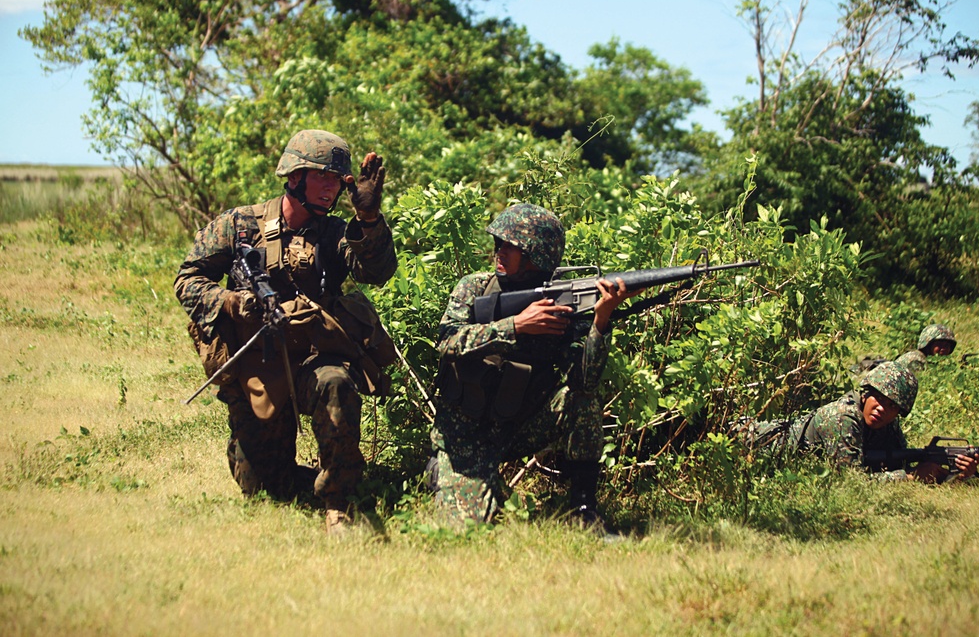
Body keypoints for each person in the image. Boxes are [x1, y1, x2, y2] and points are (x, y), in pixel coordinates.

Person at [175, 129, 398, 534]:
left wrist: (368, 218)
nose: (331, 187)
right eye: (322, 177)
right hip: (258, 364)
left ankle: (339, 502)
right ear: (294, 176)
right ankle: (323, 478)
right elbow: (187, 279)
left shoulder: (334, 234)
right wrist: (230, 302)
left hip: (315, 357)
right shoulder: (239, 225)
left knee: (337, 383)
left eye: (338, 180)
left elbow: (378, 272)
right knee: (264, 487)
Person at [427, 203, 640, 527]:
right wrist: (516, 326)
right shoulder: (475, 287)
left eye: (510, 247)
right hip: (464, 434)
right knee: (466, 530)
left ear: (537, 257)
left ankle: (583, 512)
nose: (499, 251)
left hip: (517, 426)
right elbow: (448, 343)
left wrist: (600, 322)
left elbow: (585, 383)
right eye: (498, 243)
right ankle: (442, 470)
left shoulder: (562, 301)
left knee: (579, 402)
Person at [753, 361, 979, 483]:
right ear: (866, 394)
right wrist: (911, 476)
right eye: (879, 399)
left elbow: (893, 463)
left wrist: (956, 474)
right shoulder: (842, 417)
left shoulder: (887, 422)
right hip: (757, 443)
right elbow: (851, 481)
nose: (882, 409)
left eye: (892, 406)